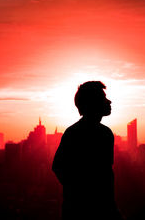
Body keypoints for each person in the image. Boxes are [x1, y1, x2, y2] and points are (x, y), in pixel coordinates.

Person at [52, 81, 122, 220]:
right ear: (93, 103)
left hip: (89, 209)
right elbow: (58, 167)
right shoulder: (81, 133)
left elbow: (105, 174)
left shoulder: (103, 133)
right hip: (83, 211)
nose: (109, 101)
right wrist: (81, 194)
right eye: (103, 98)